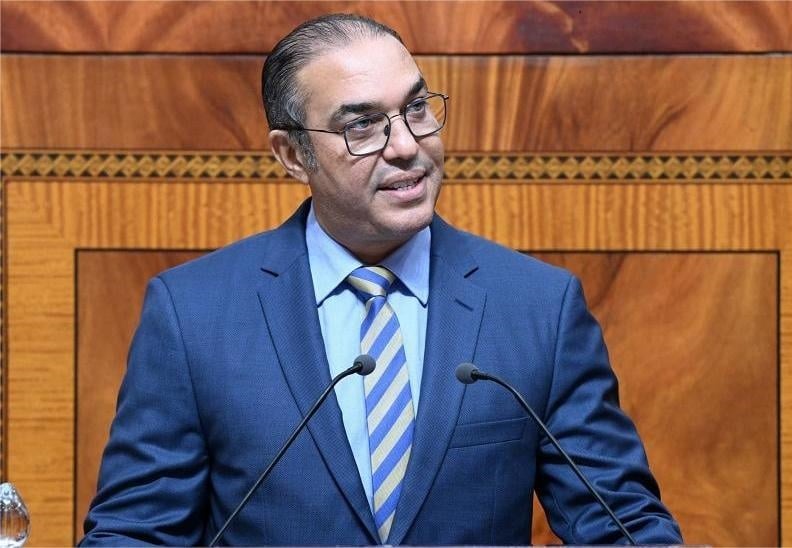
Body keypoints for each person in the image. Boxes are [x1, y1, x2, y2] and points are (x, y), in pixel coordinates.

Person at [81, 13, 683, 546]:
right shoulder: (193, 315)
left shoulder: (538, 308)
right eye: (362, 125)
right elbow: (136, 533)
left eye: (416, 109)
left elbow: (620, 523)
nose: (406, 146)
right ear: (292, 155)